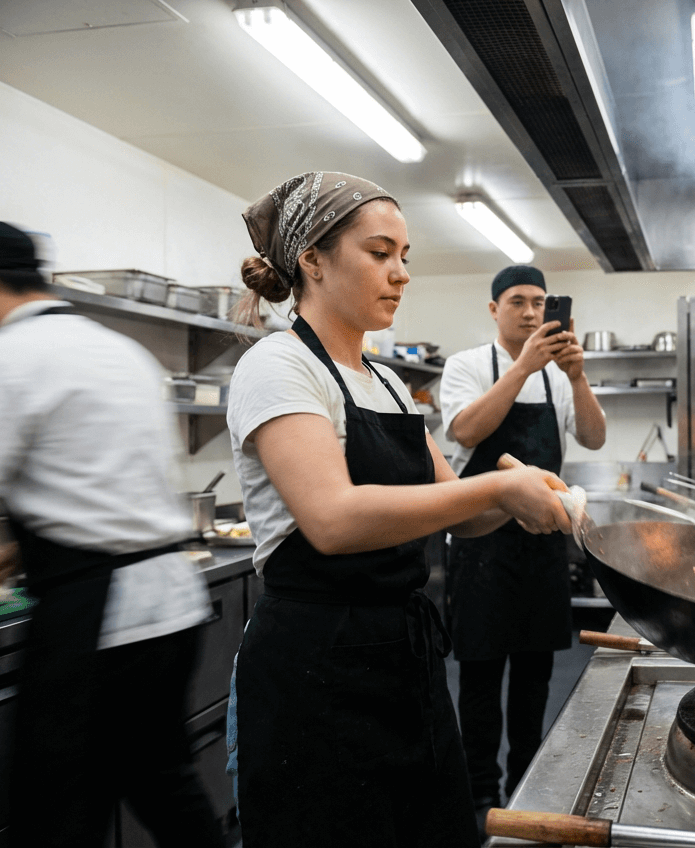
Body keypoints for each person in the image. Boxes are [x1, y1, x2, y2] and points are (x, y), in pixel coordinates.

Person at [224, 172, 571, 847]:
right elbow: (333, 519)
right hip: (315, 668)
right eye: (380, 253)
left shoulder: (384, 379)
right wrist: (497, 488)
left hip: (403, 664)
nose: (401, 273)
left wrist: (521, 490)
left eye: (404, 256)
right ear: (313, 262)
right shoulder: (278, 366)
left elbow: (455, 514)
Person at [0, 220, 223, 847]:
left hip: (99, 618)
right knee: (164, 784)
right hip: (170, 605)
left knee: (54, 808)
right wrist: (13, 555)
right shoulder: (115, 348)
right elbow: (101, 488)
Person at [439, 264, 606, 822]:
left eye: (540, 302)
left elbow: (594, 437)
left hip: (542, 550)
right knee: (480, 683)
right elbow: (466, 432)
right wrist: (523, 366)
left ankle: (528, 790)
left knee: (534, 683)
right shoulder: (466, 365)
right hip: (479, 549)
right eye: (518, 302)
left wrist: (577, 377)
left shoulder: (560, 377)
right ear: (494, 309)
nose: (532, 312)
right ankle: (479, 800)